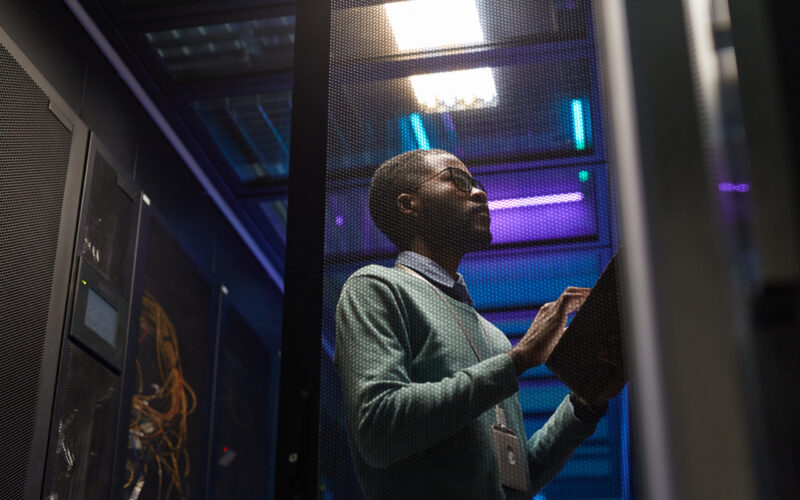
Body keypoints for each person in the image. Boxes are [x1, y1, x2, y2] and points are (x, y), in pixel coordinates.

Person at [334, 149, 625, 499]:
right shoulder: (375, 287)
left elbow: (517, 481)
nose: (479, 192)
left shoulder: (493, 336)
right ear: (409, 204)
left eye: (476, 183)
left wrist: (583, 403)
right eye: (456, 180)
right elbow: (379, 431)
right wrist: (517, 361)